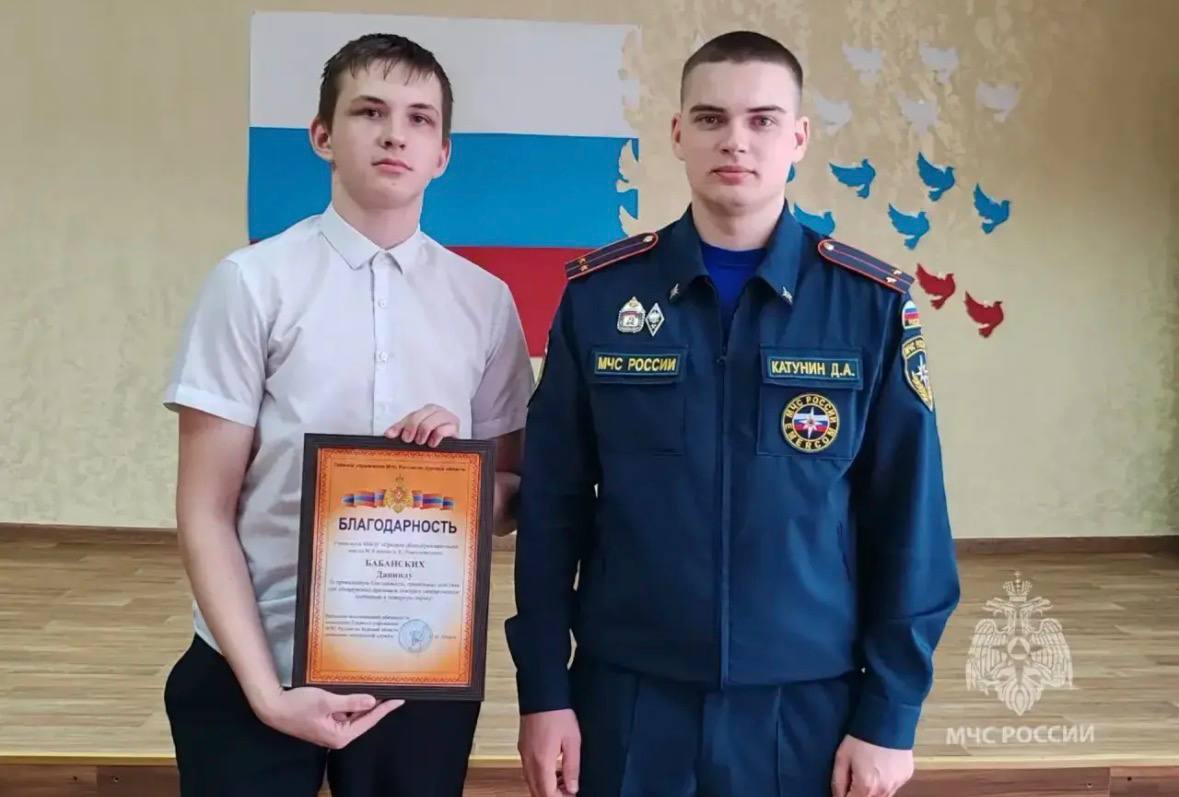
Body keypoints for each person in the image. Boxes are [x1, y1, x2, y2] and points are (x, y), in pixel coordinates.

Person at [506, 30, 960, 797]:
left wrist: (890, 713)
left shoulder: (867, 305)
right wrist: (544, 689)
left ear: (798, 137)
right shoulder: (599, 298)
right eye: (711, 118)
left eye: (761, 120)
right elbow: (553, 510)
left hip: (806, 703)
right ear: (677, 133)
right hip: (629, 697)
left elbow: (909, 521)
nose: (735, 141)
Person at [162, 33, 533, 797]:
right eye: (369, 111)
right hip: (257, 660)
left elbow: (509, 501)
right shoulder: (251, 283)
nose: (395, 134)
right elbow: (203, 509)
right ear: (322, 136)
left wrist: (452, 472)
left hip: (419, 664)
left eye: (419, 119)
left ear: (442, 153)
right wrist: (265, 691)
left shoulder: (485, 302)